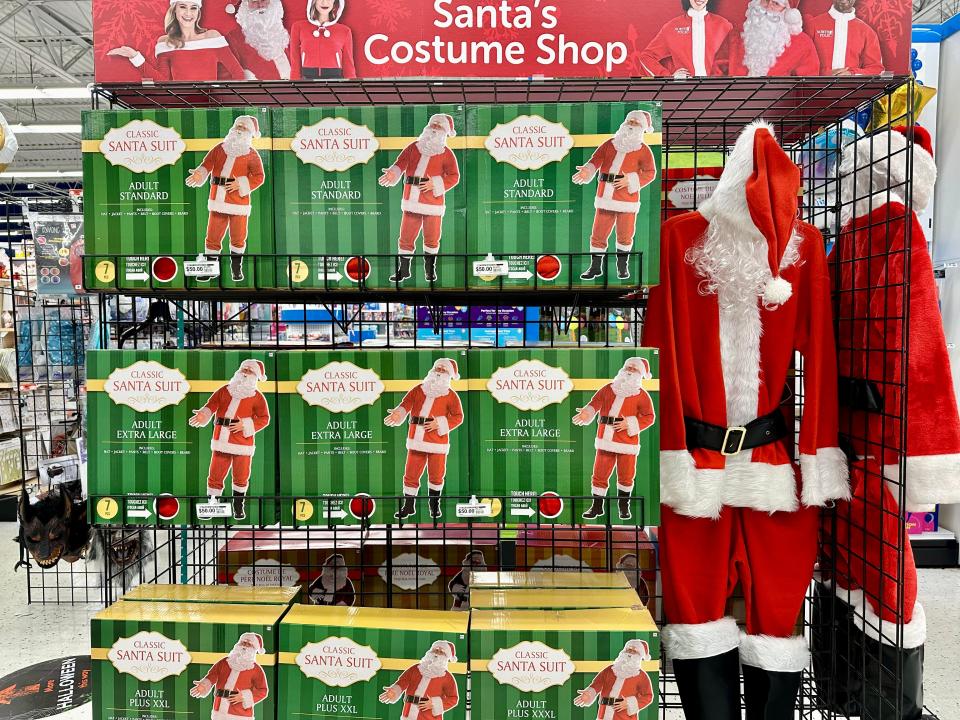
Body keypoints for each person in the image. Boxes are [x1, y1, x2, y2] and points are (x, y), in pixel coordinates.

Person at [643, 121, 848, 719]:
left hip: (771, 464)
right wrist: (672, 453)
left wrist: (818, 458)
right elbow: (661, 357)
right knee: (694, 609)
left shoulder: (805, 250)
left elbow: (823, 362)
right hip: (697, 461)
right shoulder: (678, 239)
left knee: (778, 609)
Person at [573, 111, 658, 281]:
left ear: (642, 128)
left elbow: (650, 173)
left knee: (625, 235)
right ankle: (595, 267)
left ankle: (622, 268)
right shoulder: (610, 144)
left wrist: (632, 180)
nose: (631, 125)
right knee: (598, 233)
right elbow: (595, 160)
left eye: (636, 123)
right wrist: (587, 170)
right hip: (605, 196)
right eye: (630, 121)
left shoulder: (644, 150)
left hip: (627, 199)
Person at [572, 357, 657, 521]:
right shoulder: (608, 389)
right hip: (605, 439)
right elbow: (595, 402)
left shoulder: (642, 396)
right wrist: (587, 412)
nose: (630, 371)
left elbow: (649, 417)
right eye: (628, 367)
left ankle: (624, 508)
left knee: (626, 476)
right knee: (599, 474)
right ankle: (597, 507)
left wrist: (630, 423)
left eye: (634, 369)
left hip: (627, 441)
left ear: (641, 374)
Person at [379, 115, 460, 283]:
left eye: (439, 126)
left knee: (432, 237)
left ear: (445, 132)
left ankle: (430, 271)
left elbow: (454, 176)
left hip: (433, 202)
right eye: (433, 124)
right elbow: (401, 163)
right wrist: (393, 172)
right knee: (405, 236)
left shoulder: (447, 154)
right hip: (411, 201)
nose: (435, 128)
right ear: (427, 127)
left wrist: (436, 183)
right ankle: (404, 270)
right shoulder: (413, 147)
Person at [185, 114, 266, 283]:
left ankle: (236, 269)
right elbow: (207, 164)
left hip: (239, 202)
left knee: (238, 237)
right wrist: (201, 174)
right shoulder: (220, 148)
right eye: (238, 126)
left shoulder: (252, 155)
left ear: (250, 133)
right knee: (212, 237)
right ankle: (210, 270)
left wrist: (242, 184)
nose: (239, 130)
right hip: (218, 200)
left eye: (244, 128)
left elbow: (259, 177)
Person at [188, 358, 271, 520]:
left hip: (243, 443)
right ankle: (212, 505)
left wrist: (245, 425)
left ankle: (238, 506)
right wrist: (203, 414)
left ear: (256, 376)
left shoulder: (257, 397)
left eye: (249, 371)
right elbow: (212, 404)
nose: (245, 373)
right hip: (221, 440)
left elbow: (264, 418)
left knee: (241, 475)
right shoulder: (225, 390)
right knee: (215, 473)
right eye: (244, 370)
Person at [384, 358, 464, 519]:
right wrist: (399, 412)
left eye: (443, 370)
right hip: (416, 439)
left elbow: (458, 417)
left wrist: (440, 423)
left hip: (437, 441)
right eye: (438, 368)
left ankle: (434, 506)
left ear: (450, 375)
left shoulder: (451, 396)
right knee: (410, 473)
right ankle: (408, 506)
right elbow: (406, 403)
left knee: (436, 474)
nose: (439, 372)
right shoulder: (419, 389)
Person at [107, 0, 245, 82]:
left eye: (193, 8)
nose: (188, 13)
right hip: (181, 105)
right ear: (174, 10)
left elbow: (238, 74)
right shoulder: (165, 43)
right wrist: (135, 57)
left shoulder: (212, 37)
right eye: (183, 7)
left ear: (198, 12)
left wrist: (222, 101)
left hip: (209, 103)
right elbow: (163, 82)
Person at [639, 0, 733, 78]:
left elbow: (736, 61)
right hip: (685, 92)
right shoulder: (672, 27)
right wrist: (668, 77)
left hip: (718, 90)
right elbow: (646, 56)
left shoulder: (724, 25)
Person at [728, 0, 819, 76]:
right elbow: (717, 73)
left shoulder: (803, 44)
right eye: (766, 0)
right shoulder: (735, 35)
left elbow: (808, 87)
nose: (768, 7)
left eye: (776, 4)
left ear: (787, 12)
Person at [189, 633, 269, 720]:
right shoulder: (224, 662)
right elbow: (212, 675)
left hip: (240, 714)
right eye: (243, 643)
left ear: (254, 649)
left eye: (249, 644)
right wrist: (204, 685)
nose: (244, 646)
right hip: (218, 711)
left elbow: (262, 691)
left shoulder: (256, 669)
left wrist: (244, 697)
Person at [573, 640, 655, 719]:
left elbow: (648, 696)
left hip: (624, 716)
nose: (630, 653)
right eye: (629, 649)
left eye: (634, 651)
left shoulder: (641, 676)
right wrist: (589, 693)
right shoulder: (610, 670)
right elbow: (597, 683)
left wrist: (629, 703)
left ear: (639, 656)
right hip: (603, 714)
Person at [378, 641, 460, 719]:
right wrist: (395, 691)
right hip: (408, 714)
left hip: (429, 717)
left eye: (441, 652)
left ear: (446, 657)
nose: (437, 653)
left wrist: (435, 703)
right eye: (435, 650)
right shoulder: (416, 669)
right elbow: (403, 681)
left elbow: (453, 698)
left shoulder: (447, 677)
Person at [806, 0, 883, 75]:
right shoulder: (812, 25)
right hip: (818, 87)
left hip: (852, 87)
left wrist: (852, 73)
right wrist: (825, 74)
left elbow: (876, 69)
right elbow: (801, 63)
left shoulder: (867, 32)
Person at [289, 0, 356, 78]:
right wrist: (294, 86)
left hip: (335, 84)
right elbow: (295, 65)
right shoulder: (298, 27)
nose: (325, 2)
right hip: (307, 84)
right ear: (314, 1)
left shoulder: (344, 31)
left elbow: (349, 68)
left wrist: (353, 87)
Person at [225, 0, 292, 79]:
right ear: (245, 5)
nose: (260, 5)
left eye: (264, 0)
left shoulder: (286, 34)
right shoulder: (234, 38)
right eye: (254, 1)